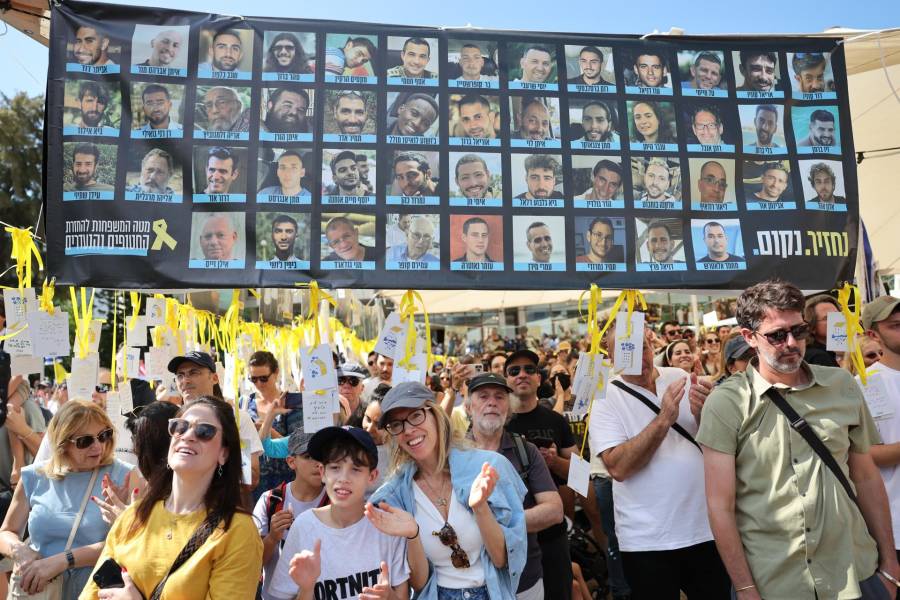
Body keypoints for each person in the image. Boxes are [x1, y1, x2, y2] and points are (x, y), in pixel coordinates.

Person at [697, 279, 899, 600]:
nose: (791, 342)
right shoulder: (727, 403)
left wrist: (890, 565)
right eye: (777, 335)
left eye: (799, 331)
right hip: (775, 582)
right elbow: (720, 506)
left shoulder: (842, 385)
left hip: (854, 572)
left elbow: (866, 476)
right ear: (749, 337)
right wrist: (746, 588)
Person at [591, 325, 731, 599]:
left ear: (651, 343)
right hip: (647, 541)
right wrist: (665, 418)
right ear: (610, 357)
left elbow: (711, 439)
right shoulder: (605, 398)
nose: (639, 357)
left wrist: (707, 413)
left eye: (642, 347)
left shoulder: (679, 376)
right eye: (625, 351)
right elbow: (618, 467)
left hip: (704, 528)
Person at [80, 396, 264, 599]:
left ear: (224, 453)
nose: (188, 435)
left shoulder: (237, 530)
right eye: (180, 427)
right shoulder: (132, 516)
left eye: (205, 431)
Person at [367, 381, 528, 600]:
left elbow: (501, 559)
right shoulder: (395, 495)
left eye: (416, 416)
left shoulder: (488, 468)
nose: (408, 430)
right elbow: (420, 583)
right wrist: (412, 534)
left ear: (436, 415)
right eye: (396, 424)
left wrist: (480, 507)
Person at [0, 401, 136, 598]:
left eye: (104, 435)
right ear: (62, 444)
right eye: (85, 441)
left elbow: (133, 542)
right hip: (41, 591)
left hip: (97, 591)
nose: (98, 445)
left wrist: (64, 560)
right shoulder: (34, 476)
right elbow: (6, 531)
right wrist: (20, 551)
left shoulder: (124, 476)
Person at [269, 426, 410, 600]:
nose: (343, 478)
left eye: (355, 469)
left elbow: (402, 594)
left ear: (372, 476)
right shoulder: (304, 526)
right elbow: (279, 596)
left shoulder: (386, 527)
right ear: (322, 472)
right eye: (335, 467)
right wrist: (306, 589)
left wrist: (389, 596)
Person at [466, 373, 564, 600]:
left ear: (508, 410)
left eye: (500, 397)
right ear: (469, 407)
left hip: (524, 580)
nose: (492, 402)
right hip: (470, 584)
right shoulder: (453, 455)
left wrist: (495, 524)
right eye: (483, 396)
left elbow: (554, 510)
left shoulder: (526, 451)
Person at [504, 350, 575, 600]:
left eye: (529, 369)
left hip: (552, 533)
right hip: (512, 537)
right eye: (514, 371)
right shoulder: (494, 425)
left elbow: (580, 475)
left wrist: (554, 462)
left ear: (539, 378)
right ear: (507, 380)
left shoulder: (556, 421)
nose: (522, 374)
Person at [168, 352, 262, 497]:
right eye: (180, 375)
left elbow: (251, 478)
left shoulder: (237, 419)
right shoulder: (172, 423)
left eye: (194, 373)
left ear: (214, 378)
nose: (185, 380)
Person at [253, 427, 327, 600]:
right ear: (291, 461)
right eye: (308, 456)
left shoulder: (337, 502)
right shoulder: (270, 501)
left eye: (324, 456)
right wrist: (272, 538)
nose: (318, 463)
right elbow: (251, 566)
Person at [861, 295, 900, 568]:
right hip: (894, 527)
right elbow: (862, 455)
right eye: (896, 325)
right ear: (873, 334)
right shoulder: (861, 386)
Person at [802, 293, 841, 367]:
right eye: (827, 318)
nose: (836, 320)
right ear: (812, 327)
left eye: (837, 315)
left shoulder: (827, 352)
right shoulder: (818, 357)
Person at [335, 362, 369, 427]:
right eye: (341, 380)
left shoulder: (369, 412)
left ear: (362, 388)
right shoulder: (327, 412)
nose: (346, 385)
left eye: (353, 381)